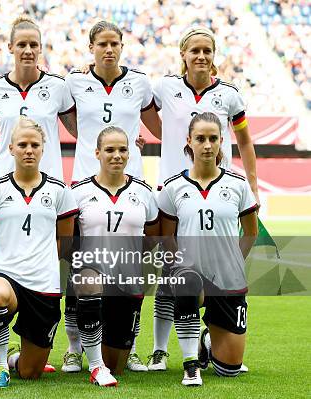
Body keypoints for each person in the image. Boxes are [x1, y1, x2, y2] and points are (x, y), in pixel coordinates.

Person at [148, 26, 258, 373]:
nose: (200, 56)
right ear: (183, 54)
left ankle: (207, 340)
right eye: (194, 50)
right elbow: (143, 117)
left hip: (215, 190)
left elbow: (245, 142)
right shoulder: (165, 87)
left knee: (229, 365)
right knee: (170, 276)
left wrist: (253, 184)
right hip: (175, 194)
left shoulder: (229, 94)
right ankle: (160, 350)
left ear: (214, 56)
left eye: (206, 51)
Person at [62, 20, 162, 373]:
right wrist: (92, 143)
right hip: (84, 185)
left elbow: (157, 121)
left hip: (129, 184)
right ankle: (74, 348)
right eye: (102, 43)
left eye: (115, 43)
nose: (109, 49)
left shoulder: (139, 82)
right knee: (79, 268)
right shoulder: (74, 82)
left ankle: (129, 344)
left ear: (122, 46)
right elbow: (65, 118)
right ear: (91, 47)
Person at [0, 117, 78, 388]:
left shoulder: (59, 191)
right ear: (11, 149)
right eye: (22, 144)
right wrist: (0, 267)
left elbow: (63, 241)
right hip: (6, 277)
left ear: (43, 148)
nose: (28, 150)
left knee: (31, 373)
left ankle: (13, 360)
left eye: (34, 144)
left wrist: (41, 265)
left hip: (44, 284)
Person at [157, 112, 258, 386]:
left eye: (213, 139)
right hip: (192, 276)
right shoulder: (173, 187)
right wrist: (179, 266)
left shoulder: (238, 185)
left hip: (227, 280)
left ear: (222, 141)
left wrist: (234, 261)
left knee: (229, 370)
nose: (207, 145)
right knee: (187, 283)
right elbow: (166, 237)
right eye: (200, 138)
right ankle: (191, 365)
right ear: (189, 141)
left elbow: (251, 232)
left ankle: (207, 341)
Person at [70, 126, 160, 386]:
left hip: (127, 282)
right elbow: (68, 240)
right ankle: (89, 358)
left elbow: (153, 235)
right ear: (97, 153)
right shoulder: (79, 192)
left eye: (122, 150)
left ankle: (106, 352)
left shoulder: (143, 192)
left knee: (117, 366)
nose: (116, 155)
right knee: (88, 282)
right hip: (91, 278)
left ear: (129, 154)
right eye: (109, 150)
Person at [0, 16, 78, 182]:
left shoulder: (58, 86)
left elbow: (80, 131)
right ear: (10, 47)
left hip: (49, 183)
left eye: (33, 45)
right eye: (21, 45)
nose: (28, 50)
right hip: (5, 183)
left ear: (40, 48)